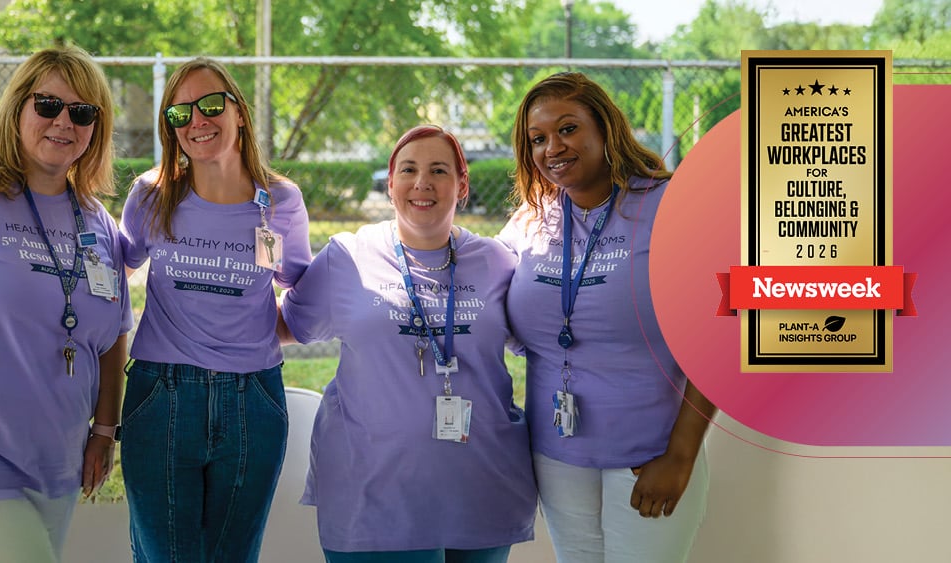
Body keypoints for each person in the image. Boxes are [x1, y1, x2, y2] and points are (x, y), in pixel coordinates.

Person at [281, 125, 537, 563]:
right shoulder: (347, 256)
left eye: (439, 170)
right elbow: (285, 327)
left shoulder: (497, 262)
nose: (422, 183)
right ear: (391, 182)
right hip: (372, 489)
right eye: (409, 170)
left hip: (482, 484)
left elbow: (541, 339)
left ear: (462, 184)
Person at [497, 72, 715, 563]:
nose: (553, 147)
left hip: (650, 454)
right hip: (556, 454)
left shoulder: (670, 205)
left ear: (605, 129)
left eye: (568, 129)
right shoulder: (532, 218)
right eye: (538, 139)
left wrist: (680, 455)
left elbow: (722, 334)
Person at [118, 57, 312, 562]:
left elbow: (299, 287)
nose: (196, 122)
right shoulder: (152, 195)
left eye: (208, 105)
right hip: (161, 395)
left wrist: (264, 332)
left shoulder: (280, 203)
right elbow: (117, 270)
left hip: (253, 400)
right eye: (180, 113)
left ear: (239, 112)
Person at [0, 46, 130, 562]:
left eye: (82, 112)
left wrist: (104, 429)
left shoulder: (98, 222)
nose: (63, 122)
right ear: (17, 108)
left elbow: (113, 336)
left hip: (58, 467)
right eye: (48, 104)